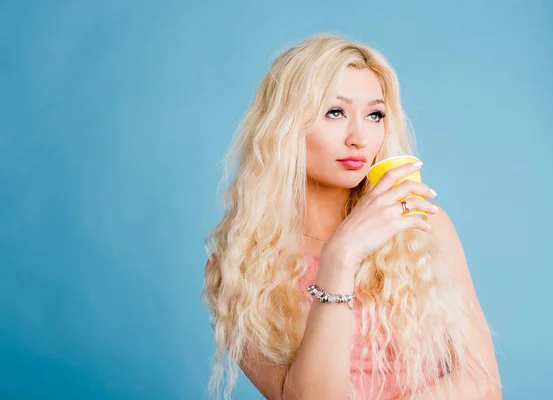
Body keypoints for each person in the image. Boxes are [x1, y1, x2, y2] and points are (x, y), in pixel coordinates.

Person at [201, 33, 502, 400]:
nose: (359, 137)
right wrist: (340, 258)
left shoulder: (421, 224)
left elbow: (482, 383)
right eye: (335, 112)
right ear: (285, 126)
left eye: (374, 115)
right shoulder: (237, 268)